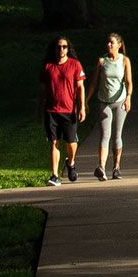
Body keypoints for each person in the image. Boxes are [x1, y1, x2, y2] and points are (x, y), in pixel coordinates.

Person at [39, 35, 86, 185]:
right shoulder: (48, 66)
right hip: (51, 110)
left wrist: (82, 107)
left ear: (68, 49)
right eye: (59, 47)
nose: (61, 49)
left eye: (64, 47)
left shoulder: (75, 65)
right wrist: (38, 108)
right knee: (54, 142)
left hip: (69, 110)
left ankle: (70, 163)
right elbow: (43, 90)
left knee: (71, 143)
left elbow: (80, 87)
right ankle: (54, 175)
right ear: (54, 49)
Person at [90, 30, 135, 181]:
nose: (109, 44)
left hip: (120, 101)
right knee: (105, 135)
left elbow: (129, 82)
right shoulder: (102, 61)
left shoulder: (124, 60)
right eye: (108, 42)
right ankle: (101, 167)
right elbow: (94, 82)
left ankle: (116, 167)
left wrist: (128, 98)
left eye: (112, 42)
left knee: (117, 135)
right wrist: (85, 101)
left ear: (119, 45)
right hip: (104, 102)